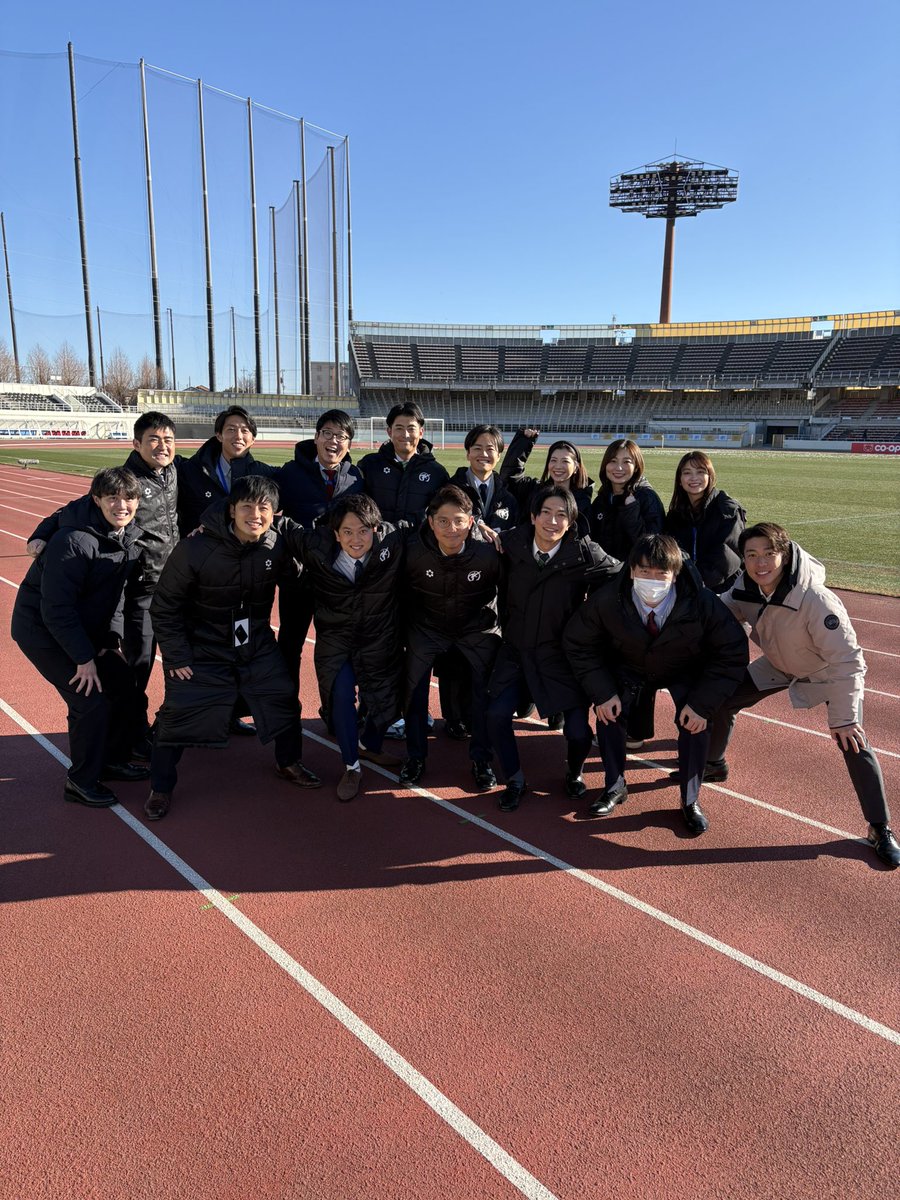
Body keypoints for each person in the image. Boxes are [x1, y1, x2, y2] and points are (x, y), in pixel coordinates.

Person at [706, 522, 900, 869]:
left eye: (768, 554)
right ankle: (714, 763)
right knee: (722, 699)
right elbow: (721, 611)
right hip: (780, 663)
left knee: (852, 740)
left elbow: (848, 661)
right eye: (751, 555)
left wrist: (844, 717)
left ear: (785, 554)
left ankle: (880, 828)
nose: (759, 562)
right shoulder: (746, 586)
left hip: (826, 672)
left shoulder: (816, 599)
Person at [145, 476, 320, 821]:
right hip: (202, 647)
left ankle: (288, 762)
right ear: (231, 510)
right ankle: (160, 787)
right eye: (247, 507)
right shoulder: (195, 548)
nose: (255, 514)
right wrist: (177, 655)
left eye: (263, 508)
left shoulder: (276, 544)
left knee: (283, 695)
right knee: (179, 710)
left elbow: (297, 581)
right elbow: (165, 606)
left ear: (275, 513)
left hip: (254, 642)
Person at [564, 533, 748, 834]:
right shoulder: (610, 598)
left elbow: (732, 652)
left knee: (697, 722)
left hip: (684, 667)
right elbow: (578, 642)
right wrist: (603, 692)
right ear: (631, 570)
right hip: (631, 667)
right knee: (609, 711)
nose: (651, 578)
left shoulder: (701, 602)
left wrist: (702, 705)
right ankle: (615, 786)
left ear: (675, 574)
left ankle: (690, 800)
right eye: (643, 571)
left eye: (660, 572)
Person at [27, 411, 180, 756]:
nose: (161, 446)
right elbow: (73, 509)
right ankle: (131, 738)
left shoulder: (174, 471)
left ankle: (162, 728)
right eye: (153, 439)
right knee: (136, 668)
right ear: (137, 443)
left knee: (182, 661)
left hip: (174, 587)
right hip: (138, 586)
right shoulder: (123, 483)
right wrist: (42, 533)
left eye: (168, 439)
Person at [11, 468, 149, 806]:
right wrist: (83, 658)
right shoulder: (72, 542)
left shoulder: (128, 538)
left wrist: (110, 642)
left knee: (122, 685)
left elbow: (115, 596)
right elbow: (56, 610)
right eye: (113, 498)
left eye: (128, 498)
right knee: (89, 701)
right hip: (42, 631)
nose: (122, 505)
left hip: (84, 630)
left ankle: (112, 760)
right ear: (97, 500)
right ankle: (81, 781)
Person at [487, 485, 620, 811]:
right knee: (496, 715)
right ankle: (515, 778)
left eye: (562, 515)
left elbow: (623, 573)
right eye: (546, 512)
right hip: (516, 652)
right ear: (533, 516)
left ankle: (573, 773)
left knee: (577, 733)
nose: (552, 520)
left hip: (559, 659)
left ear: (571, 521)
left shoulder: (584, 553)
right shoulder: (511, 543)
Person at [277, 493, 404, 801]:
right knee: (342, 695)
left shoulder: (394, 540)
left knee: (390, 700)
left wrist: (481, 527)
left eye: (363, 530)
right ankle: (352, 765)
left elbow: (436, 525)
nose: (356, 539)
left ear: (376, 529)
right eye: (347, 531)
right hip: (336, 641)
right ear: (335, 534)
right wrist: (209, 524)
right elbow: (279, 524)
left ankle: (368, 744)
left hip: (377, 639)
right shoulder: (316, 546)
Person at [398, 485, 503, 789]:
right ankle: (416, 756)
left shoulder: (489, 551)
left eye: (458, 520)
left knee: (485, 690)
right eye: (443, 521)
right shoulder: (414, 550)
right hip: (428, 626)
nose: (451, 528)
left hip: (476, 627)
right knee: (414, 689)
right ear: (430, 522)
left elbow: (508, 593)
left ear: (471, 521)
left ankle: (481, 759)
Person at [273, 409, 364, 692]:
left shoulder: (357, 478)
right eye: (327, 433)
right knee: (290, 644)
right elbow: (257, 500)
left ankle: (334, 712)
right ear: (316, 437)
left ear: (349, 444)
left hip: (336, 582)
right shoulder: (290, 472)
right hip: (298, 578)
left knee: (334, 650)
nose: (333, 441)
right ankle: (287, 709)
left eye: (341, 436)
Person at [440, 424, 519, 740]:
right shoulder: (450, 488)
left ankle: (474, 715)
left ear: (499, 455)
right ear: (467, 450)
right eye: (478, 447)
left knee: (483, 657)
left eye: (491, 449)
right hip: (454, 583)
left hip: (492, 591)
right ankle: (452, 717)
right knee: (452, 656)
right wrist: (478, 528)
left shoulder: (508, 497)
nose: (484, 454)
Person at [176, 405, 278, 537]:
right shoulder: (191, 470)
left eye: (245, 431)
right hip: (204, 549)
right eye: (231, 429)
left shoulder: (265, 474)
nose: (238, 436)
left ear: (253, 440)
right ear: (219, 435)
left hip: (247, 551)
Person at [664, 450, 745, 593]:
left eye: (700, 472)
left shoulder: (727, 510)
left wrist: (694, 584)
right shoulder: (676, 514)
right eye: (687, 473)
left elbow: (726, 558)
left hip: (724, 591)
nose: (694, 478)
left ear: (710, 476)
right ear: (679, 480)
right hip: (685, 589)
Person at [358, 400, 449, 525]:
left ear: (421, 432)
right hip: (378, 541)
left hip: (418, 543)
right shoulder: (369, 465)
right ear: (389, 432)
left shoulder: (437, 473)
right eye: (399, 428)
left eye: (411, 428)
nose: (405, 434)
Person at [499, 427, 594, 533]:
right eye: (553, 460)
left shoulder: (582, 501)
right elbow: (510, 476)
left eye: (565, 461)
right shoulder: (535, 489)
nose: (558, 466)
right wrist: (523, 442)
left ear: (576, 467)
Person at [590, 438, 665, 562]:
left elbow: (652, 548)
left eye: (626, 462)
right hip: (604, 575)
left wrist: (630, 511)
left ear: (636, 467)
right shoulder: (602, 499)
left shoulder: (647, 497)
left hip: (632, 576)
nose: (619, 468)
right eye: (613, 461)